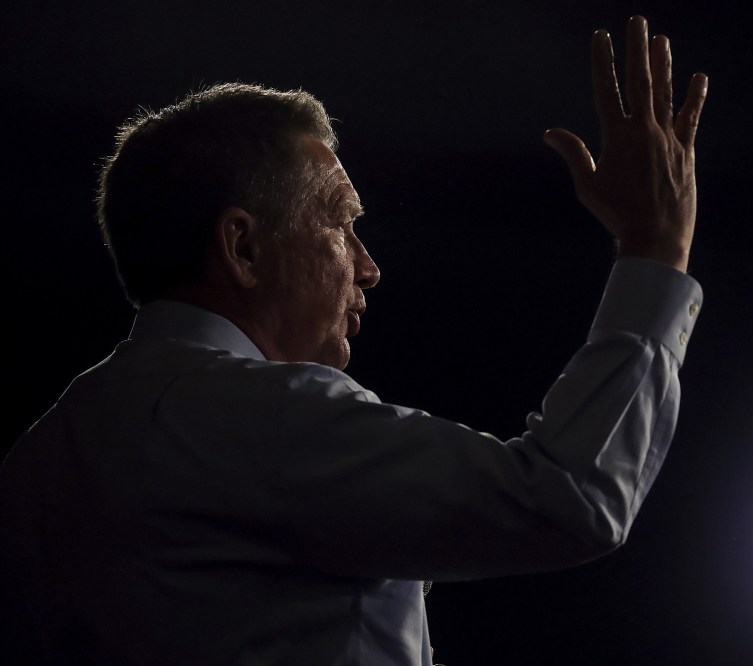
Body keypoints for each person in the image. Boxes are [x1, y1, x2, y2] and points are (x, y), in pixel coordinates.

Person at [0, 15, 707, 666]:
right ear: (243, 247)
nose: (367, 266)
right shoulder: (269, 420)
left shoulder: (37, 463)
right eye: (340, 223)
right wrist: (655, 249)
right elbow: (565, 497)